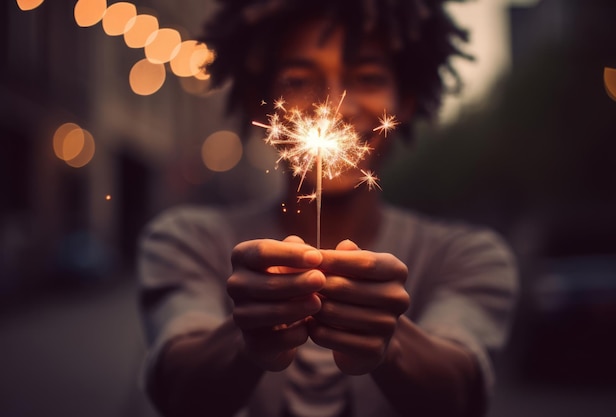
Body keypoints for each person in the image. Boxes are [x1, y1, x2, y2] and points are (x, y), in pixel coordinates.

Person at [137, 1, 518, 417]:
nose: (337, 109)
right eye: (299, 79)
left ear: (405, 100)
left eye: (368, 77)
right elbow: (178, 389)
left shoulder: (470, 257)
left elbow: (460, 394)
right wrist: (243, 340)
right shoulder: (186, 241)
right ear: (257, 102)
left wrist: (390, 342)